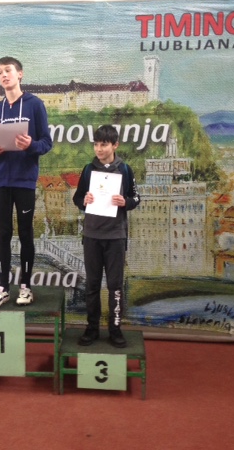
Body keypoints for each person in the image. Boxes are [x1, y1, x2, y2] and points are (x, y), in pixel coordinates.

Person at [0, 56, 53, 308]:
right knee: (3, 234)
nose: (4, 75)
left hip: (25, 180)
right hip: (1, 180)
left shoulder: (35, 105)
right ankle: (3, 287)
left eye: (8, 70)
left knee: (25, 233)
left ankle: (25, 287)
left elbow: (46, 143)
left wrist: (31, 145)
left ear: (20, 74)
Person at [72, 125, 140, 348]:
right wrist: (84, 201)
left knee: (115, 286)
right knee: (92, 285)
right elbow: (77, 198)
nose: (99, 149)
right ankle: (92, 328)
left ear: (115, 145)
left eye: (104, 144)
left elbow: (136, 198)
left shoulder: (125, 170)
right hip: (92, 235)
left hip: (116, 237)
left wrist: (125, 202)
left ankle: (115, 329)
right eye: (96, 144)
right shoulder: (88, 170)